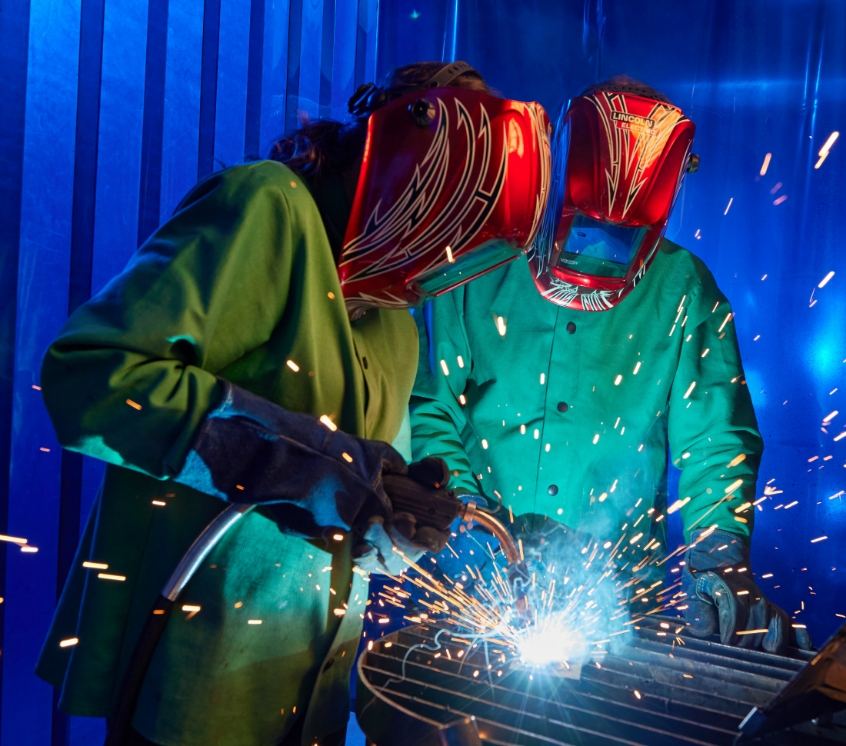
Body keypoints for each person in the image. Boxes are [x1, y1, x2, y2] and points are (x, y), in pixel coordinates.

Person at [35, 61, 550, 746]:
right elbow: (94, 376)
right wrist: (301, 469)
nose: (439, 262)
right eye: (442, 222)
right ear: (403, 167)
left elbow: (354, 496)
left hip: (310, 697)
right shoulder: (268, 208)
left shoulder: (397, 317)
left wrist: (392, 528)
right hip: (189, 683)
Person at [409, 75, 810, 654]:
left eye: (621, 240)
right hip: (470, 588)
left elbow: (717, 443)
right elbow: (429, 410)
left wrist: (719, 556)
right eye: (585, 229)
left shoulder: (684, 293)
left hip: (614, 603)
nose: (597, 255)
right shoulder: (477, 265)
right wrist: (479, 533)